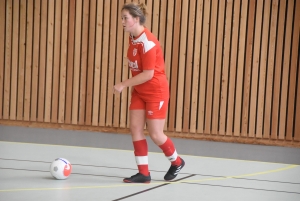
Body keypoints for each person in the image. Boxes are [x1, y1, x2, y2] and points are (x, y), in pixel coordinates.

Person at [113, 2, 185, 183]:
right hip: (140, 91)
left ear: (136, 19)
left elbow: (148, 74)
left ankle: (177, 162)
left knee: (155, 134)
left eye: (125, 18)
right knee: (136, 129)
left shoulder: (148, 42)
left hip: (155, 91)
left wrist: (123, 84)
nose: (122, 21)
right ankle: (143, 173)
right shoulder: (132, 37)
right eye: (122, 18)